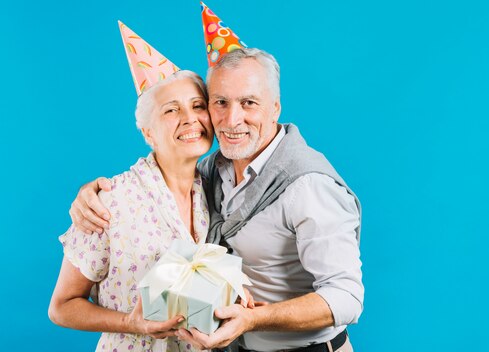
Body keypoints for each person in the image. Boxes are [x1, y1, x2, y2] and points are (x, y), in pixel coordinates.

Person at [70, 47, 363, 352]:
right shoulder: (211, 172)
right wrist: (93, 192)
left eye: (248, 103)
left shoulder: (308, 185)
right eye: (221, 102)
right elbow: (162, 173)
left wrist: (254, 319)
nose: (232, 119)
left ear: (275, 108)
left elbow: (346, 297)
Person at [49, 23, 215, 352]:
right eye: (172, 110)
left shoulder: (217, 188)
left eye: (197, 105)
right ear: (147, 133)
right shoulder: (110, 202)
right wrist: (131, 322)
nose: (190, 118)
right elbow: (62, 306)